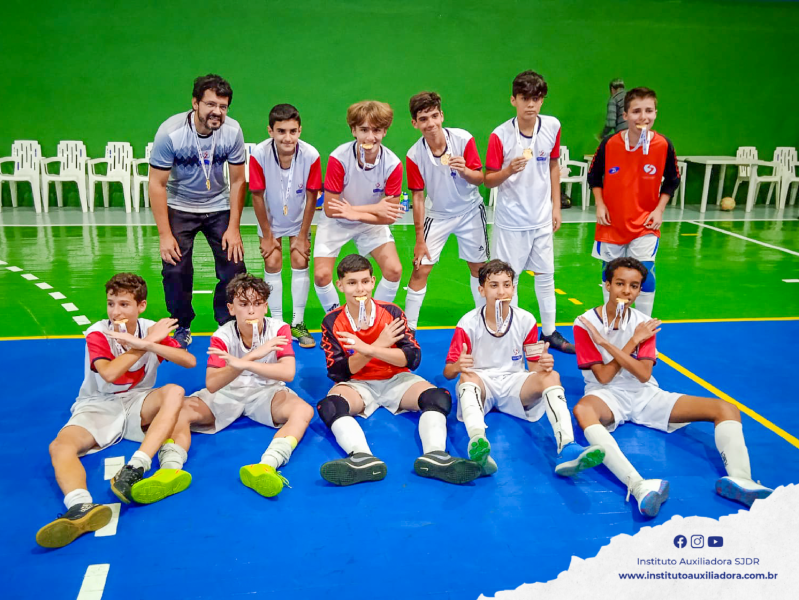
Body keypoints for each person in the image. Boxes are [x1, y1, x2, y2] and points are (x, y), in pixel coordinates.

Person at [572, 258, 773, 517]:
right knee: (583, 411)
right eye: (620, 284)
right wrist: (631, 342)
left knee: (726, 409)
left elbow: (643, 374)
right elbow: (603, 376)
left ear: (639, 290)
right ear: (607, 285)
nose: (627, 291)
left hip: (646, 394)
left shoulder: (645, 324)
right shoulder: (585, 323)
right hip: (606, 395)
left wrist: (609, 344)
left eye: (634, 286)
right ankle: (639, 485)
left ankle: (741, 480)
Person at [36, 274, 196, 548]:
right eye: (111, 304)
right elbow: (109, 374)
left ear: (141, 306)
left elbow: (189, 361)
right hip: (97, 404)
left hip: (138, 401)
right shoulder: (98, 333)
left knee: (175, 392)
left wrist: (149, 342)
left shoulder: (150, 329)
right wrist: (145, 344)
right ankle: (80, 506)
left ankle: (136, 467)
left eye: (124, 304)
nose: (115, 312)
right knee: (60, 446)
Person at [316, 254, 481, 486]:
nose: (360, 289)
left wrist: (369, 349)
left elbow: (412, 359)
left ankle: (435, 455)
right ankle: (361, 457)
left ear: (373, 282)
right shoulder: (332, 321)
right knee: (330, 406)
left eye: (365, 281)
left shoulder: (391, 312)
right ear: (340, 285)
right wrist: (379, 345)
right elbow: (340, 372)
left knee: (437, 397)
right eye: (352, 283)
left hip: (396, 379)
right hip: (357, 384)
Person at [443, 260, 603, 477]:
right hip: (482, 384)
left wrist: (543, 364)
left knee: (551, 376)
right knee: (466, 378)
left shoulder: (526, 320)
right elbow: (448, 372)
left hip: (514, 383)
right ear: (481, 290)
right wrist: (457, 366)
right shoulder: (467, 323)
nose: (501, 292)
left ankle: (567, 446)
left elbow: (534, 367)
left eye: (506, 285)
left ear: (513, 288)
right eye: (494, 285)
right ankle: (478, 442)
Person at [181, 273, 314, 498]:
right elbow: (212, 384)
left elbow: (288, 372)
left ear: (265, 306)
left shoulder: (279, 329)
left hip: (267, 392)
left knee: (303, 411)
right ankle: (170, 468)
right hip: (227, 393)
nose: (251, 310)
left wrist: (243, 363)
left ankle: (268, 464)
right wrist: (253, 356)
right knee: (180, 411)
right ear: (231, 308)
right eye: (243, 304)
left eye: (258, 303)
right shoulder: (222, 335)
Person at [149, 74, 247, 348]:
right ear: (195, 103)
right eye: (211, 104)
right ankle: (181, 324)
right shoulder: (170, 133)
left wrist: (234, 227)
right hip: (180, 206)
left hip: (218, 206)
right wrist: (164, 235)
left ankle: (227, 322)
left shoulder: (232, 131)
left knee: (234, 266)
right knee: (175, 270)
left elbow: (238, 181)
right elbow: (156, 184)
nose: (218, 112)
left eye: (223, 106)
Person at [484, 70, 574, 354]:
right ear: (513, 100)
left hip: (542, 218)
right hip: (511, 222)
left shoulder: (552, 126)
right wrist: (508, 170)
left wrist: (556, 206)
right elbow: (488, 180)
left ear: (542, 100)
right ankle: (514, 333)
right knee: (509, 280)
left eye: (536, 98)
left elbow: (553, 165)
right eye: (524, 98)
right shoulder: (500, 135)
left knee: (546, 276)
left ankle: (549, 332)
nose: (531, 104)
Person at [586, 87, 679, 317]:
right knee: (612, 275)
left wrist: (659, 210)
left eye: (648, 110)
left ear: (656, 113)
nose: (643, 117)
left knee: (644, 273)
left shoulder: (663, 145)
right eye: (636, 111)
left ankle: (643, 327)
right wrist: (600, 204)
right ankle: (614, 324)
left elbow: (672, 180)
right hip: (611, 223)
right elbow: (594, 176)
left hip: (645, 222)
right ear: (625, 115)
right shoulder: (609, 143)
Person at [404, 91, 488, 331]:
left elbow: (479, 178)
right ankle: (409, 329)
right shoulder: (414, 155)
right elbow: (418, 197)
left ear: (442, 115)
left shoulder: (463, 139)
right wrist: (419, 239)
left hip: (470, 211)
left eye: (434, 116)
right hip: (438, 215)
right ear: (414, 123)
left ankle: (484, 323)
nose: (430, 123)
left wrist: (465, 171)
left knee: (479, 268)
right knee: (420, 268)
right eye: (423, 119)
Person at [313, 101, 404, 313]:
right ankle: (335, 318)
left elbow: (389, 216)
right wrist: (374, 208)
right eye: (364, 130)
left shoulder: (393, 164)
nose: (370, 137)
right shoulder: (338, 158)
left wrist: (355, 212)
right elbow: (331, 209)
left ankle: (376, 317)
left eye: (376, 130)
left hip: (369, 223)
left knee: (394, 270)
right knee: (321, 275)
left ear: (385, 131)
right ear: (353, 130)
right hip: (337, 221)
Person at [249, 103, 322, 349]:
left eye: (292, 131)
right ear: (270, 131)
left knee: (300, 260)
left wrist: (302, 236)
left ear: (300, 130)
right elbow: (256, 196)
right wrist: (267, 235)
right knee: (272, 262)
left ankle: (298, 323)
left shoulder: (311, 155)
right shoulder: (259, 154)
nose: (287, 137)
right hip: (269, 220)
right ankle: (278, 324)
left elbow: (312, 197)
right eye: (281, 131)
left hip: (299, 219)